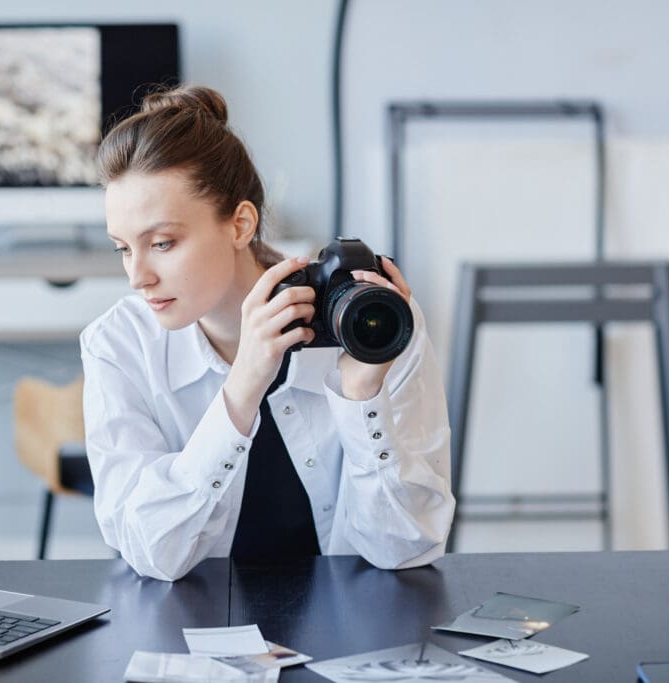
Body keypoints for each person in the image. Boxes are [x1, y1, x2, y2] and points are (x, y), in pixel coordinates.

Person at [80, 84, 455, 581]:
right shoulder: (120, 344)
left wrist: (363, 394)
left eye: (163, 243)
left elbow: (406, 548)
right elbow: (153, 554)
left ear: (239, 225)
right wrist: (242, 388)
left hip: (349, 627)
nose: (137, 276)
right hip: (192, 631)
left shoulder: (369, 321)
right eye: (123, 248)